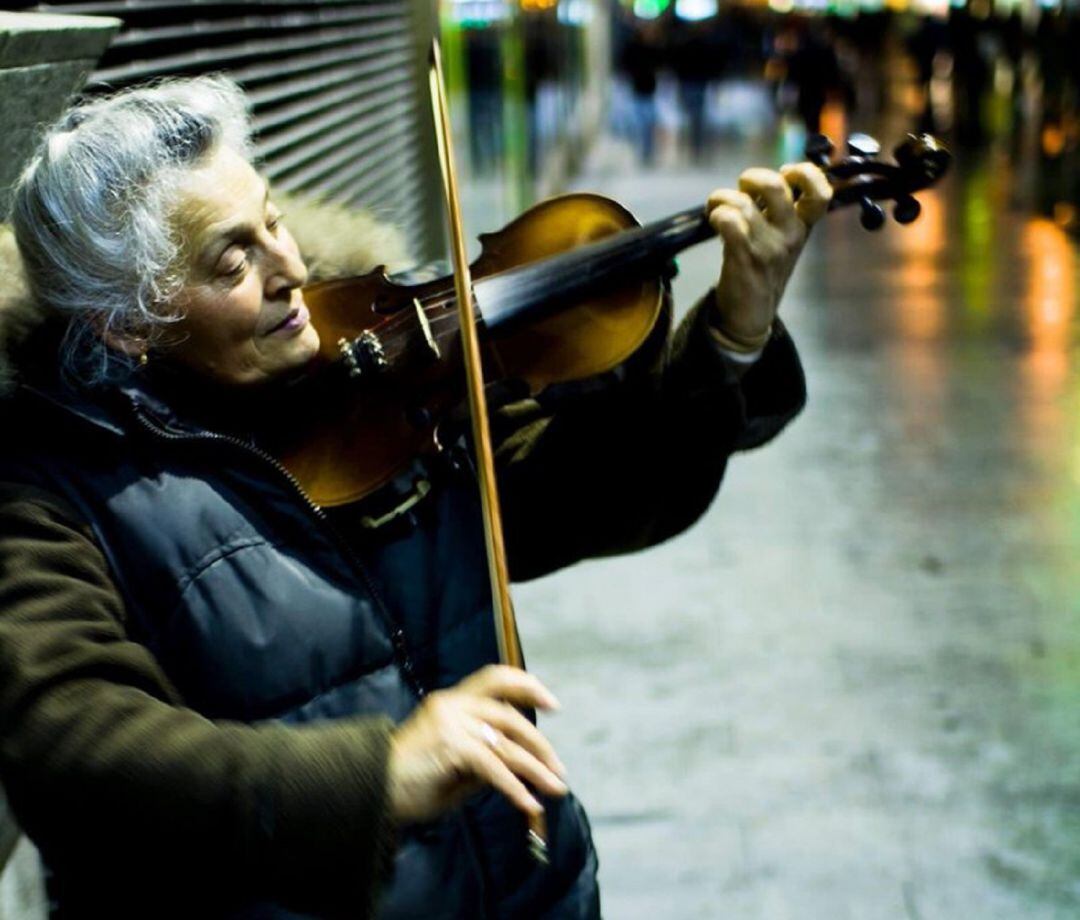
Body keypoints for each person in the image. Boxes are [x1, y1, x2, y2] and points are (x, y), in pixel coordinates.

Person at [0, 76, 830, 918]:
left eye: (274, 222)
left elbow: (586, 495)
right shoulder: (51, 493)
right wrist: (379, 778)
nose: (288, 268)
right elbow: (67, 743)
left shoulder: (379, 375)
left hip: (529, 887)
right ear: (128, 324)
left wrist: (732, 334)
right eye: (232, 260)